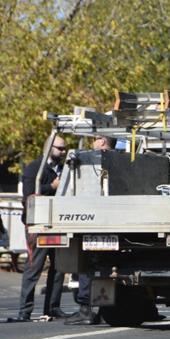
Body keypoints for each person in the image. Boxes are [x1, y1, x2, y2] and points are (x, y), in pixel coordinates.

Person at [8, 136, 70, 322]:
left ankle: (53, 307)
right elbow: (29, 195)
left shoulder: (65, 169)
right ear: (49, 148)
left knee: (59, 267)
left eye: (65, 148)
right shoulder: (35, 168)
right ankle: (24, 311)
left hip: (59, 223)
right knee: (34, 267)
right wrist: (51, 186)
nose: (63, 152)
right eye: (60, 148)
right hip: (38, 225)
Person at [64, 135, 116, 325]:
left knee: (87, 265)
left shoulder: (91, 160)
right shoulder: (123, 160)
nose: (92, 142)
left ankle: (86, 309)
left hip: (92, 220)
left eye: (95, 138)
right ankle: (104, 309)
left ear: (102, 141)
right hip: (116, 222)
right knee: (105, 266)